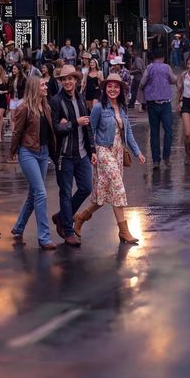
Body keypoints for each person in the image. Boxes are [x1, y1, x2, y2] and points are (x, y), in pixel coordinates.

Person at [75, 75, 144, 245]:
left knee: (106, 194)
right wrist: (92, 151)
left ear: (120, 90)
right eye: (110, 86)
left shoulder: (122, 108)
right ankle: (124, 231)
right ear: (105, 89)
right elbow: (90, 129)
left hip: (118, 152)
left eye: (116, 87)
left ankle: (81, 217)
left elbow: (127, 133)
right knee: (118, 189)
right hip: (103, 150)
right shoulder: (99, 108)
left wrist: (137, 152)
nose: (113, 89)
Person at [10, 73, 59, 249]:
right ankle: (44, 237)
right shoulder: (24, 108)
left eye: (46, 85)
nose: (46, 87)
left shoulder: (46, 107)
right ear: (34, 88)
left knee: (34, 193)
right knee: (41, 193)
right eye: (43, 85)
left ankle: (19, 226)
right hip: (28, 152)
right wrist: (13, 151)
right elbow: (17, 132)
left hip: (43, 152)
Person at [50, 65, 93, 245]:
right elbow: (55, 128)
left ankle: (62, 217)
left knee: (86, 188)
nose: (67, 82)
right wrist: (74, 123)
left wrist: (93, 151)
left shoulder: (81, 98)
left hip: (82, 153)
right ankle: (68, 230)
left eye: (70, 79)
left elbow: (88, 125)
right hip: (64, 155)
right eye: (64, 79)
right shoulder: (56, 101)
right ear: (61, 82)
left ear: (76, 80)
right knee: (65, 193)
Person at [140, 49, 176, 163]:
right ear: (163, 57)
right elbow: (173, 79)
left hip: (152, 103)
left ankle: (156, 159)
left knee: (154, 132)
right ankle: (166, 155)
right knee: (168, 131)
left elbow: (142, 82)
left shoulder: (149, 68)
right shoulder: (167, 67)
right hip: (165, 102)